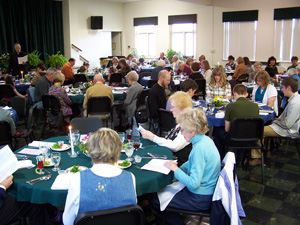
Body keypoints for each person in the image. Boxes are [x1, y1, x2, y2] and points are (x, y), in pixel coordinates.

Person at [151, 108, 220, 225]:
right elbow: (191, 163)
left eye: (183, 130)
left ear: (193, 131)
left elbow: (194, 183)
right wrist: (177, 167)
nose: (181, 133)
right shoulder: (206, 140)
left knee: (155, 200)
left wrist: (176, 170)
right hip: (207, 192)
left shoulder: (199, 149)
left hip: (200, 198)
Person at [63, 128, 137, 225]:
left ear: (90, 151)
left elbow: (67, 221)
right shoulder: (130, 177)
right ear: (118, 150)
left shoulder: (78, 179)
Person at [250, 77, 300, 165]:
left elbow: (288, 124)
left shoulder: (294, 104)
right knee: (268, 124)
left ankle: (256, 157)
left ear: (289, 88)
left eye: (283, 87)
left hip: (288, 130)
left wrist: (276, 121)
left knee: (258, 131)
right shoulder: (296, 98)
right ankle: (267, 151)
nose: (282, 89)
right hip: (288, 126)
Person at [142, 91, 193, 165]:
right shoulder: (180, 122)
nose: (171, 110)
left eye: (173, 107)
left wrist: (153, 137)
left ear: (181, 108)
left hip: (180, 165)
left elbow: (175, 146)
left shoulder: (188, 124)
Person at [213, 84, 259, 161]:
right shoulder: (255, 106)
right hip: (252, 139)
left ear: (234, 93)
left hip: (234, 139)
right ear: (247, 94)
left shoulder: (230, 106)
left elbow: (227, 129)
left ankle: (220, 158)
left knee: (217, 131)